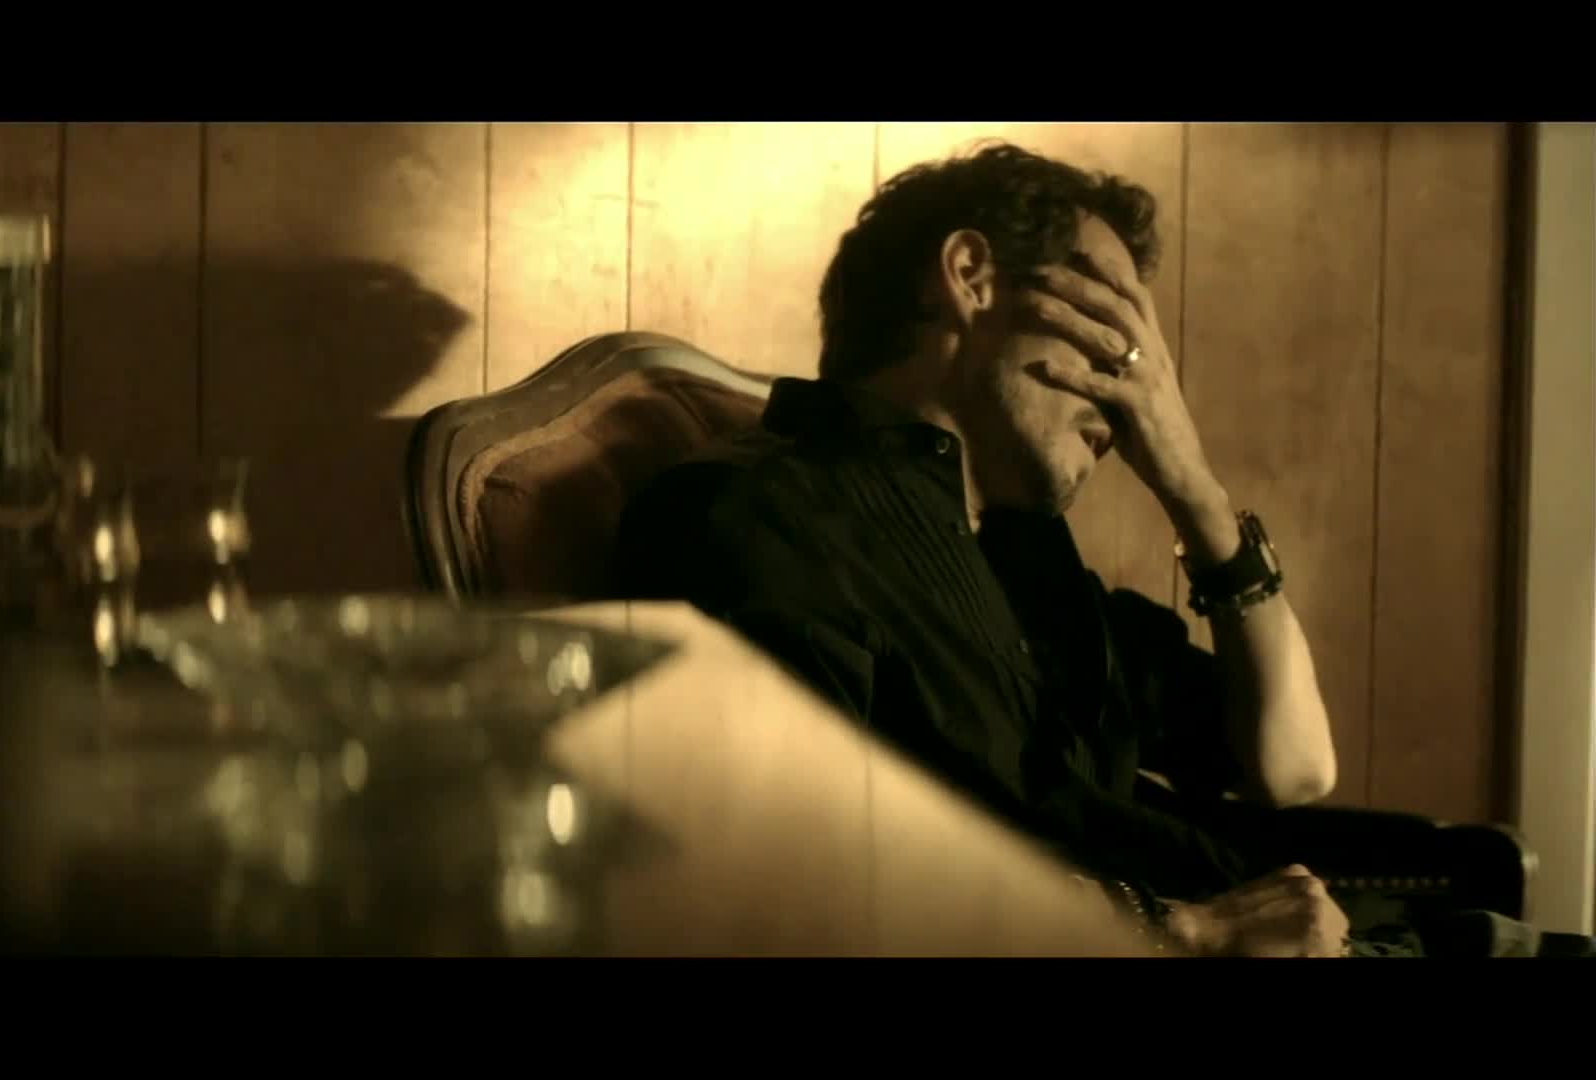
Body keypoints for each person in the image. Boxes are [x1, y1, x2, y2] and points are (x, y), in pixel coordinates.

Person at [611, 142, 1593, 958]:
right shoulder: (756, 515)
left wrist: (1196, 490)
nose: (1141, 391)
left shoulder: (1022, 552)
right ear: (971, 276)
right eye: (1117, 335)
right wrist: (1185, 931)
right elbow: (782, 869)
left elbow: (1294, 767)